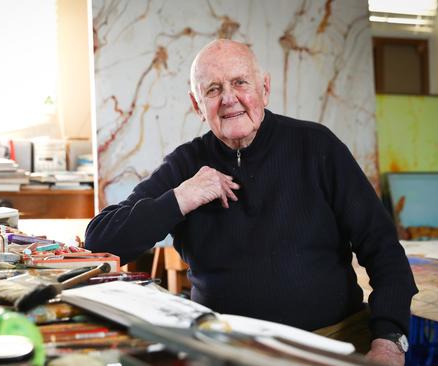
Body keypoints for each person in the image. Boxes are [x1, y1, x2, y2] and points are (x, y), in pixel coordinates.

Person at [85, 39, 417, 365]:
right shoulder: (186, 165)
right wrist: (181, 198)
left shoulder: (317, 146)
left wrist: (389, 342)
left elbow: (383, 248)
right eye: (213, 90)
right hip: (227, 348)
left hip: (332, 339)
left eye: (240, 83)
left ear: (264, 88)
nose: (229, 99)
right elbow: (100, 241)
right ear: (196, 104)